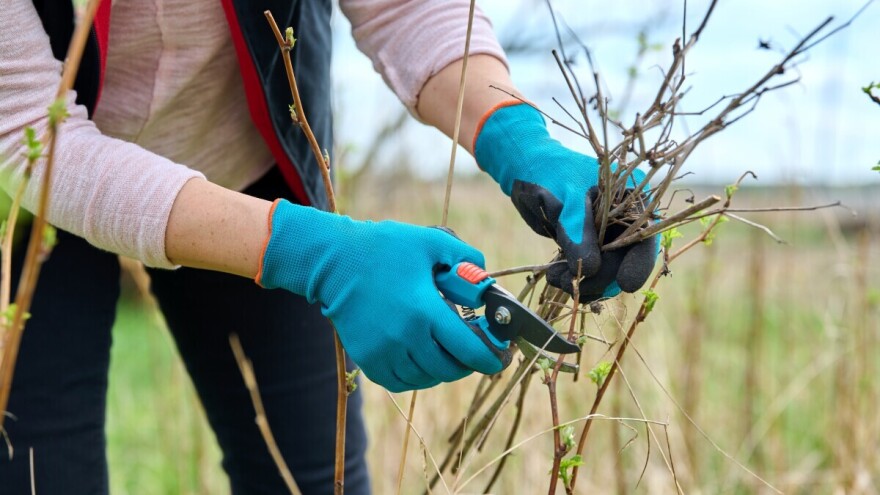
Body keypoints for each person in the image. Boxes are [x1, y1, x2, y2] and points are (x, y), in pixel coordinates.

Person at [0, 0, 657, 493]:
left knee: (315, 479)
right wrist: (316, 252)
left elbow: (405, 7)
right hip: (24, 195)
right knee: (37, 469)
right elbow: (24, 128)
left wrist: (518, 135)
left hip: (248, 166)